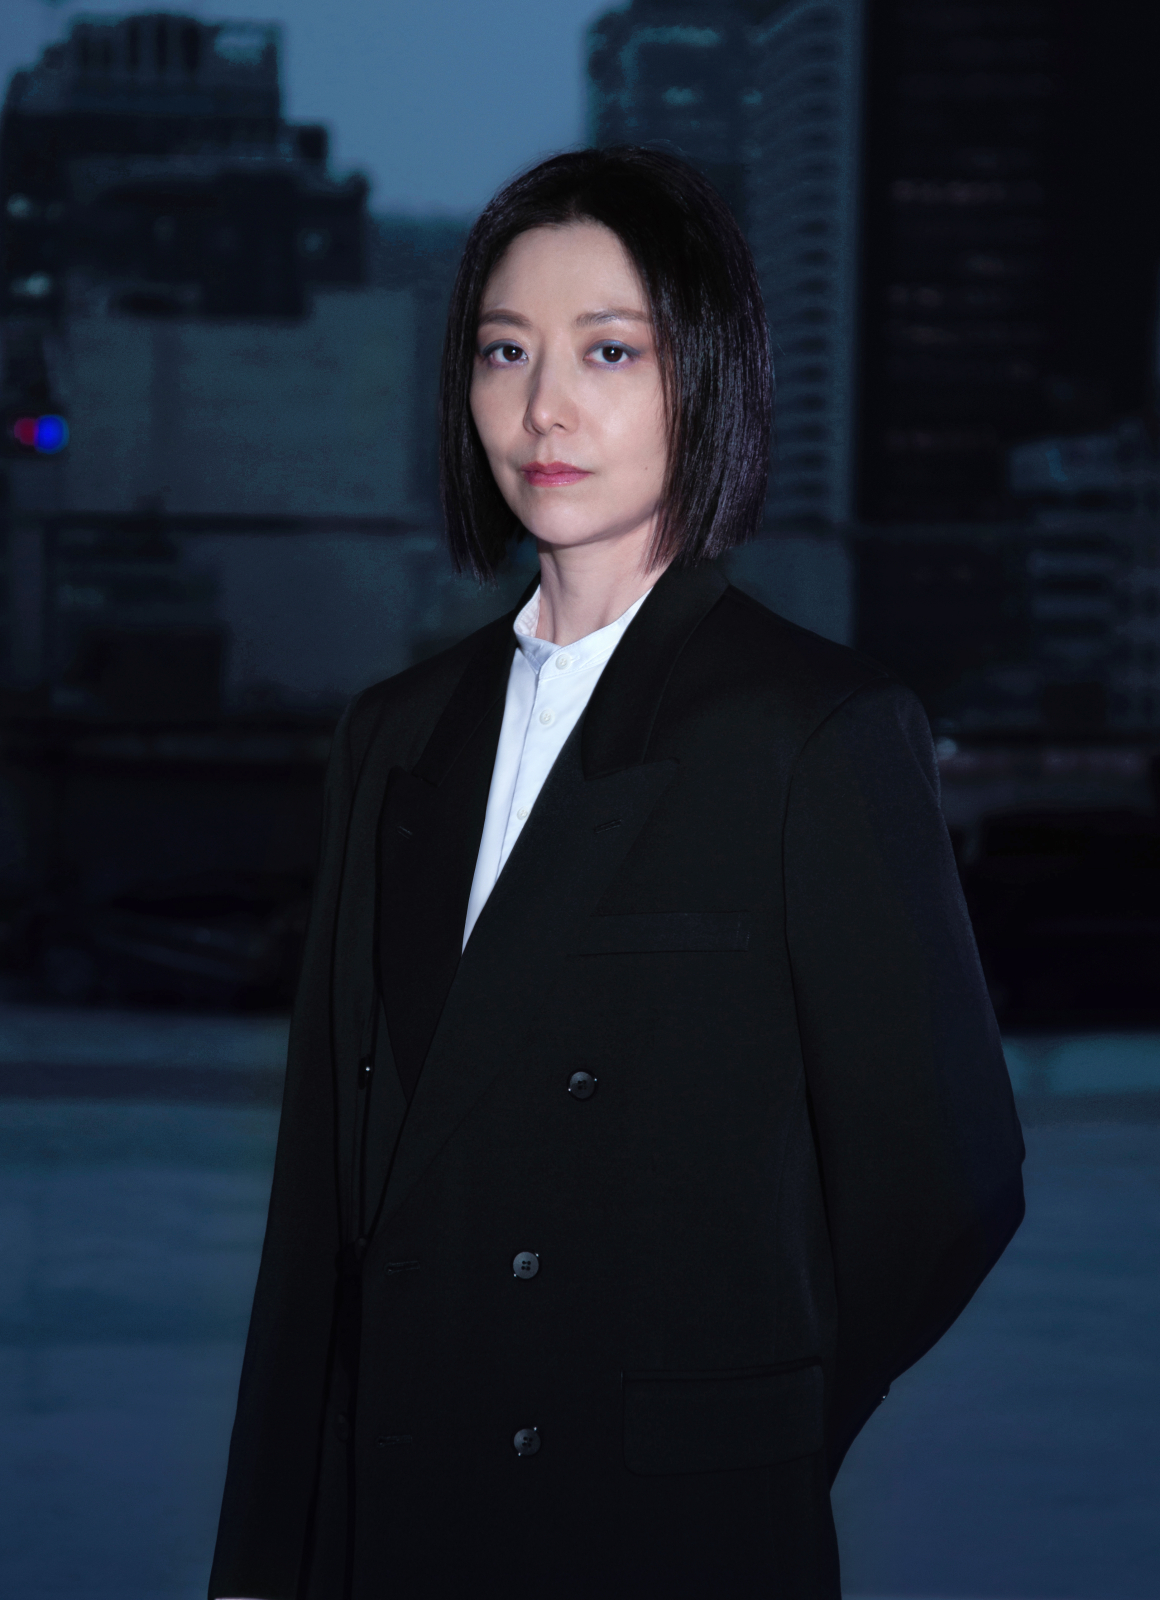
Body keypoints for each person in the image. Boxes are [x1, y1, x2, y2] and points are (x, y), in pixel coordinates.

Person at [209, 147, 1025, 1600]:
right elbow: (319, 1215)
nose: (544, 407)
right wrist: (263, 1562)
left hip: (667, 1537)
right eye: (503, 351)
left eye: (608, 350)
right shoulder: (396, 735)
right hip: (394, 1517)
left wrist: (742, 1425)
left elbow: (945, 1184)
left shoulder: (815, 731)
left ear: (705, 376)